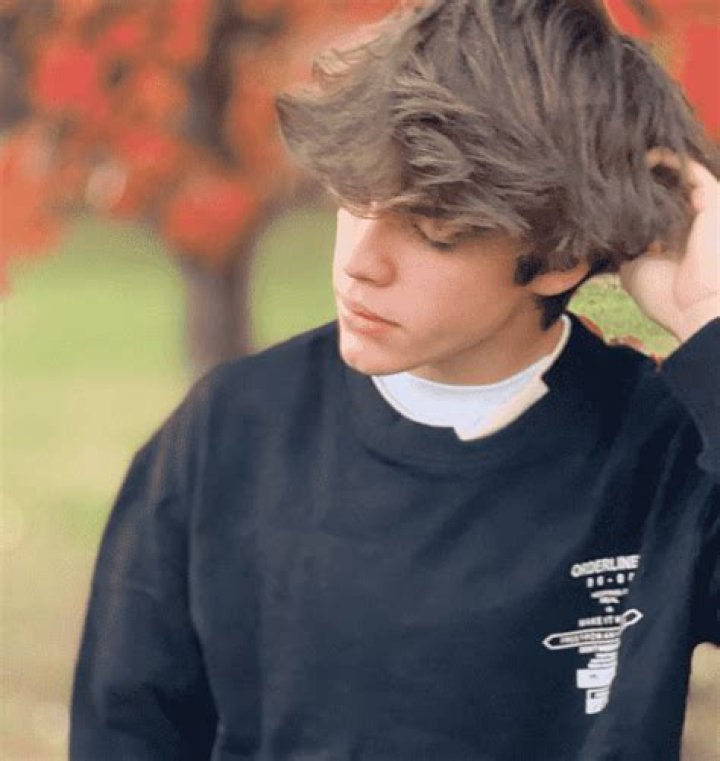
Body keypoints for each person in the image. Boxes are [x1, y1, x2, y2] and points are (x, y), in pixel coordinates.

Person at [69, 1, 720, 758]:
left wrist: (708, 315)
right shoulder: (231, 428)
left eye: (430, 232)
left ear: (560, 255)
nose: (359, 264)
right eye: (353, 202)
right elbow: (125, 731)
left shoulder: (667, 451)